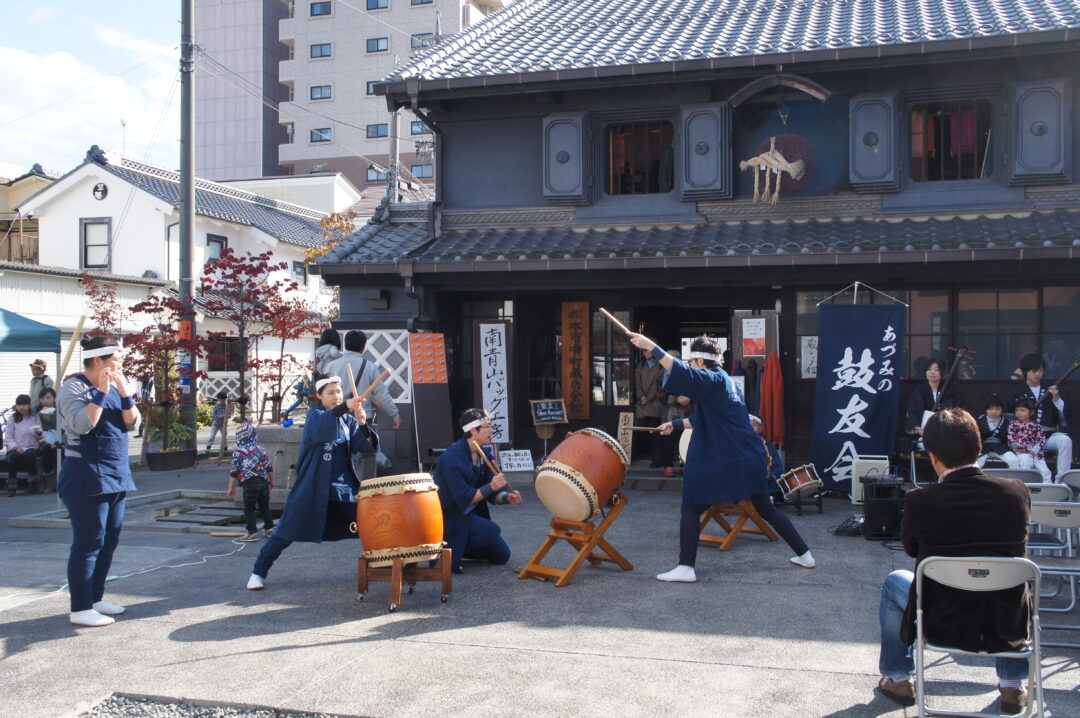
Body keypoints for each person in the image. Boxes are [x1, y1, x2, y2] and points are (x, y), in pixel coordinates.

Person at [876, 408, 1032, 715]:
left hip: (943, 621)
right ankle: (1013, 685)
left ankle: (899, 677)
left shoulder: (921, 500)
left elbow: (910, 549)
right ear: (979, 447)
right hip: (1005, 623)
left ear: (933, 456)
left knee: (895, 581)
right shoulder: (1016, 492)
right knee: (1011, 577)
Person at [627, 332, 814, 582]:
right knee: (765, 508)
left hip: (729, 459)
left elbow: (683, 373)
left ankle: (686, 568)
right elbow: (707, 417)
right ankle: (804, 554)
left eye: (693, 361)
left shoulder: (710, 379)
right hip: (749, 458)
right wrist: (677, 424)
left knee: (691, 507)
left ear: (700, 362)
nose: (692, 365)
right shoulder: (723, 380)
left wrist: (652, 346)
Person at [246, 373, 377, 590]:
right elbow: (320, 431)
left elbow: (366, 449)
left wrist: (362, 424)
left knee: (368, 526)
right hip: (313, 487)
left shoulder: (347, 420)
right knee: (284, 533)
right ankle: (258, 572)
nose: (336, 396)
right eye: (331, 393)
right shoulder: (314, 416)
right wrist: (345, 406)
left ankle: (382, 564)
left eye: (338, 392)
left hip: (344, 488)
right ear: (319, 395)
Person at [57, 336, 140, 627]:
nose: (120, 363)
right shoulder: (73, 388)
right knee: (89, 540)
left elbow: (133, 423)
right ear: (97, 360)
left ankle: (95, 597)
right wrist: (102, 392)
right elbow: (83, 424)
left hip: (116, 471)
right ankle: (80, 608)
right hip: (85, 472)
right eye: (116, 358)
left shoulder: (118, 383)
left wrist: (124, 392)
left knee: (109, 539)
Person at [432, 408, 522, 574]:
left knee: (502, 555)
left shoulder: (484, 453)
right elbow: (464, 498)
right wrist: (490, 487)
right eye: (488, 426)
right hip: (451, 515)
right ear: (473, 430)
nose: (492, 430)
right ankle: (445, 550)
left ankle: (459, 548)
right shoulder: (453, 457)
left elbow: (494, 492)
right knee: (492, 530)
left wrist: (507, 497)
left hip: (471, 514)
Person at [327, 330, 402, 479]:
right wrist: (395, 415)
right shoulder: (370, 367)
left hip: (336, 417)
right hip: (361, 419)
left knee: (338, 454)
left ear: (345, 345)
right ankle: (364, 490)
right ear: (363, 347)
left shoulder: (331, 366)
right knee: (365, 457)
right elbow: (381, 394)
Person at [1008, 353, 1072, 479]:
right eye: (1034, 370)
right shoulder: (1016, 392)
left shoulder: (1049, 391)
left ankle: (1063, 480)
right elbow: (1010, 417)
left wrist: (1057, 399)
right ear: (1025, 371)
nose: (1038, 373)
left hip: (1047, 436)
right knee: (1026, 460)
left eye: (1041, 370)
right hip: (1025, 439)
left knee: (1065, 441)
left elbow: (1063, 419)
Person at [228, 423, 276, 542]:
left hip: (249, 483)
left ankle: (252, 532)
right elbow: (269, 467)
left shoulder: (238, 453)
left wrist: (231, 488)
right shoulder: (260, 449)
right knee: (265, 506)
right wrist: (272, 480)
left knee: (249, 508)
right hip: (263, 481)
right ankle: (269, 529)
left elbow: (234, 472)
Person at [658, 351, 692, 477]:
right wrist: (676, 399)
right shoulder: (661, 375)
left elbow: (696, 391)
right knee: (668, 440)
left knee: (684, 440)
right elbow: (660, 395)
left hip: (687, 412)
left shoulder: (688, 374)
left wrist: (689, 397)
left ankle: (684, 464)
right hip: (669, 413)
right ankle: (668, 466)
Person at [905, 357, 956, 436]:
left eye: (936, 370)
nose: (932, 372)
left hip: (943, 430)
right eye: (929, 369)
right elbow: (912, 412)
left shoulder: (948, 390)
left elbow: (949, 409)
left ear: (942, 372)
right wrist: (920, 431)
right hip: (922, 431)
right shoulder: (920, 390)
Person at [634, 344, 665, 467]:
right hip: (642, 402)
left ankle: (657, 457)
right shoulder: (641, 365)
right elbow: (636, 381)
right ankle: (652, 454)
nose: (644, 353)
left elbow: (659, 383)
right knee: (642, 430)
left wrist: (649, 397)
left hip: (655, 403)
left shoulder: (661, 364)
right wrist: (641, 396)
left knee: (655, 431)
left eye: (646, 350)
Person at [1007, 398, 1052, 482]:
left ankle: (1048, 488)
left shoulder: (1036, 425)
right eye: (1017, 410)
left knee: (1044, 471)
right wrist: (1020, 448)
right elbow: (1011, 439)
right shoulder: (1013, 425)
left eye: (1023, 410)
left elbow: (1041, 439)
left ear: (1031, 412)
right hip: (1021, 452)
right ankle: (1026, 485)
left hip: (1035, 453)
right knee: (1025, 463)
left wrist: (1034, 450)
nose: (1019, 413)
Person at [5, 394, 41, 496]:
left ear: (29, 405)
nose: (22, 407)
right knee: (14, 457)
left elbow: (40, 436)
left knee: (30, 455)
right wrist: (16, 447)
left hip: (31, 446)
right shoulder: (12, 418)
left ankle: (32, 485)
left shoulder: (34, 417)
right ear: (16, 406)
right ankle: (11, 487)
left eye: (24, 404)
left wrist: (39, 433)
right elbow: (8, 436)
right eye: (19, 405)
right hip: (16, 447)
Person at [750, 413, 786, 502]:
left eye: (754, 426)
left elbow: (778, 468)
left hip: (764, 482)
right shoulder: (738, 444)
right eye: (748, 425)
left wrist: (770, 477)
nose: (750, 428)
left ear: (760, 429)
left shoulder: (768, 447)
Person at [976, 395, 1015, 469]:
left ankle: (1011, 480)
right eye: (990, 409)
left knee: (1014, 460)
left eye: (997, 409)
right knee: (976, 464)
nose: (994, 412)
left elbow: (1008, 437)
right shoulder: (980, 421)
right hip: (983, 448)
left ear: (1002, 410)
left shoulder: (1005, 421)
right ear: (986, 410)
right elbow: (977, 437)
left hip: (1000, 447)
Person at [35, 388, 61, 491]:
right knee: (45, 450)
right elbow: (38, 431)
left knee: (59, 450)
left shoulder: (59, 411)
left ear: (54, 398)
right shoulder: (39, 414)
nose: (45, 400)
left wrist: (57, 441)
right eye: (42, 398)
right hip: (44, 441)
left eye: (48, 397)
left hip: (59, 440)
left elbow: (64, 429)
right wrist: (41, 437)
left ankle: (61, 479)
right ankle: (49, 481)